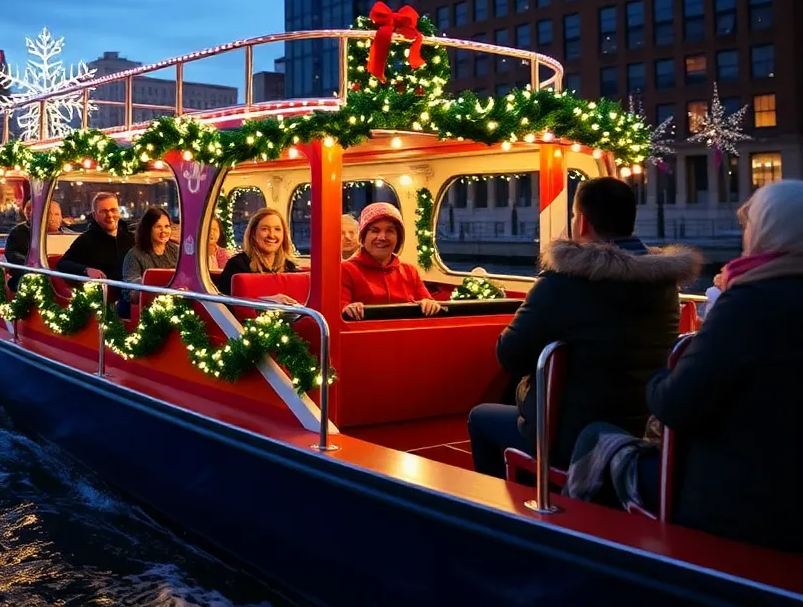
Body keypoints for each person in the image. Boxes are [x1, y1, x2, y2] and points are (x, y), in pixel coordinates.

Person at [466, 176, 701, 478]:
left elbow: (509, 355)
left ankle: (500, 509)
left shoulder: (563, 281)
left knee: (480, 417)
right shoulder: (664, 283)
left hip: (572, 437)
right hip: (640, 428)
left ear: (583, 222)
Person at [644, 179, 803, 552]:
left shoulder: (749, 302)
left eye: (749, 226)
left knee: (596, 442)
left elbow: (677, 404)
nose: (744, 234)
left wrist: (655, 376)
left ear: (768, 230)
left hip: (742, 504)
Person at [341, 202, 442, 319]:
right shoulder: (345, 270)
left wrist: (429, 304)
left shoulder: (410, 271)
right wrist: (347, 308)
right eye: (375, 230)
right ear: (363, 237)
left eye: (390, 231)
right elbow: (338, 310)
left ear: (398, 238)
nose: (382, 237)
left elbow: (427, 301)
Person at [57, 192, 135, 299]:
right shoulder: (86, 240)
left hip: (132, 295)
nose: (110, 215)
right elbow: (63, 263)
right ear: (94, 215)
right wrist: (87, 270)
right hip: (102, 298)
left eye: (113, 210)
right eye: (103, 211)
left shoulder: (131, 238)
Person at [217, 208, 300, 305]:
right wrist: (266, 301)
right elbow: (225, 303)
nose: (272, 235)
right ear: (253, 234)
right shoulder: (236, 265)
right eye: (265, 229)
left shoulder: (289, 266)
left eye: (277, 229)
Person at [121, 206, 179, 303]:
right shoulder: (134, 255)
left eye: (167, 226)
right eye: (158, 226)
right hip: (145, 306)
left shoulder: (177, 250)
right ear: (148, 229)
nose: (164, 231)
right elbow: (131, 289)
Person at [4, 200, 65, 286]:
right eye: (49, 214)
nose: (53, 218)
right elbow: (12, 254)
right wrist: (33, 263)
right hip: (31, 271)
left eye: (57, 214)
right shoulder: (19, 232)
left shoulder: (68, 234)